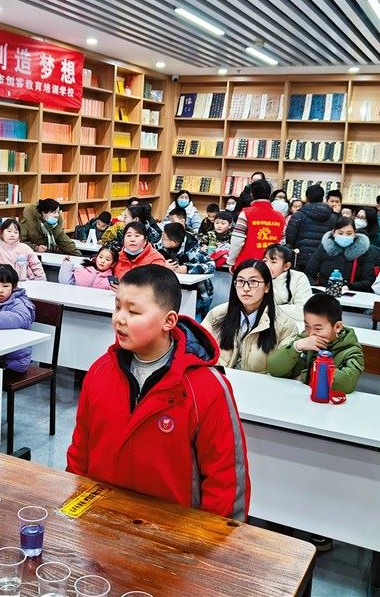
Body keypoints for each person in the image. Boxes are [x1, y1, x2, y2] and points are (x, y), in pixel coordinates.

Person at [66, 265, 250, 520]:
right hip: (101, 519)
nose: (120, 319)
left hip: (172, 530)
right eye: (117, 307)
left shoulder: (206, 388)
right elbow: (80, 450)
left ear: (169, 321)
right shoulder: (100, 371)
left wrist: (209, 538)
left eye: (133, 311)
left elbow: (226, 478)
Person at [202, 259, 296, 372]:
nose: (246, 288)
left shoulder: (285, 326)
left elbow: (281, 371)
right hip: (222, 380)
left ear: (267, 287)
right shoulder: (216, 315)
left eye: (253, 282)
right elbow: (201, 353)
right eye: (240, 281)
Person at [267, 293, 364, 394]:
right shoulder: (305, 339)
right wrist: (296, 346)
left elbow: (346, 384)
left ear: (337, 327)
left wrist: (306, 376)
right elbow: (274, 369)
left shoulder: (351, 350)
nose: (311, 333)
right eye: (307, 326)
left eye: (318, 328)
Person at [157, 222, 215, 321]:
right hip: (172, 291)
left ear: (172, 243)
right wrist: (162, 263)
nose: (161, 239)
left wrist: (187, 269)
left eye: (164, 238)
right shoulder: (161, 246)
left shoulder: (192, 249)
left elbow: (211, 265)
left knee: (192, 322)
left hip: (198, 294)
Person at [304, 217, 380, 292]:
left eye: (349, 233)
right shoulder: (324, 248)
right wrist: (317, 288)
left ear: (355, 233)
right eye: (340, 233)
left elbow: (369, 279)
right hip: (324, 292)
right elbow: (309, 273)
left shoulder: (362, 251)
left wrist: (350, 286)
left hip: (352, 293)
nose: (345, 236)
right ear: (333, 233)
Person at [228, 179, 285, 268]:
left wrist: (231, 261)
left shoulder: (245, 214)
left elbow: (237, 241)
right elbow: (282, 243)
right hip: (271, 266)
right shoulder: (280, 217)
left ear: (251, 194)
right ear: (270, 195)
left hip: (247, 264)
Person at [285, 184, 338, 272]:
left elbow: (290, 239)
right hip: (322, 259)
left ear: (307, 199)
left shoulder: (299, 215)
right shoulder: (333, 217)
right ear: (323, 199)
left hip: (301, 259)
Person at [263, 244, 313, 324]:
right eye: (265, 261)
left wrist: (273, 309)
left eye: (273, 262)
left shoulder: (299, 278)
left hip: (293, 324)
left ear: (286, 266)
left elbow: (305, 310)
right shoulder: (258, 278)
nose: (267, 265)